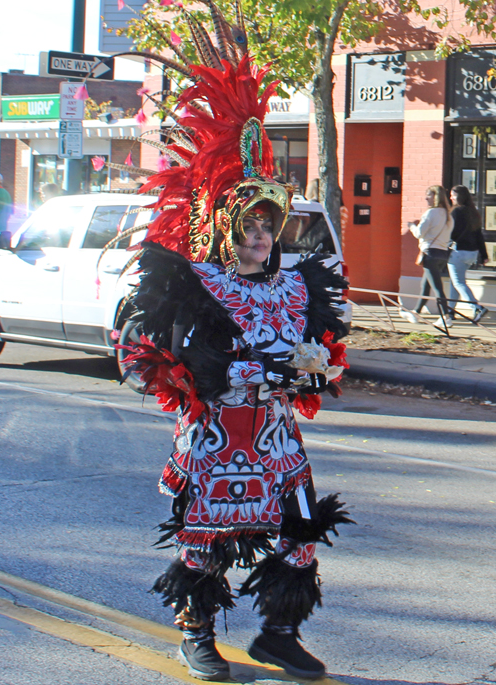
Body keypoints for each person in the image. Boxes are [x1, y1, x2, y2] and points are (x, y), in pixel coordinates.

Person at [112, 7, 353, 682]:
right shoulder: (198, 285)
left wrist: (312, 372)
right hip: (216, 436)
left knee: (301, 530)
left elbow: (323, 352)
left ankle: (279, 632)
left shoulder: (296, 287)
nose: (261, 235)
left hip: (277, 439)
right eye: (249, 225)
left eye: (269, 225)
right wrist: (235, 368)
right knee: (206, 541)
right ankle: (196, 635)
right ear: (227, 229)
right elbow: (160, 358)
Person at [400, 185, 454, 327]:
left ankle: (445, 317)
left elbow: (419, 233)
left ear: (434, 197)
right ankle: (416, 312)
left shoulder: (430, 213)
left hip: (430, 253)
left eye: (428, 195)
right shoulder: (448, 215)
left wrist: (412, 225)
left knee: (437, 287)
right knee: (426, 284)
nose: (426, 198)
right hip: (442, 254)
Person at [448, 185, 489, 323]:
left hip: (458, 252)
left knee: (458, 282)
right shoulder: (473, 212)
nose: (450, 198)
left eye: (452, 195)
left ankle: (476, 307)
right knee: (456, 282)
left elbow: (452, 233)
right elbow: (479, 235)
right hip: (472, 253)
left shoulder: (456, 212)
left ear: (457, 197)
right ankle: (450, 311)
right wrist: (484, 255)